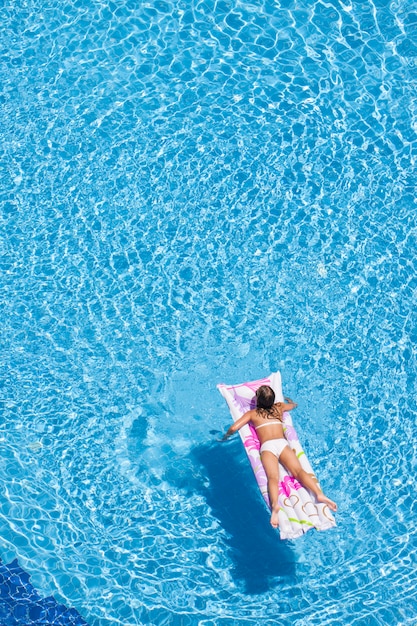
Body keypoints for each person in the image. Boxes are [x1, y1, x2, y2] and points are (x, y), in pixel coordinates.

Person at [222, 385, 337, 528]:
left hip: (268, 446)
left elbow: (234, 428)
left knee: (273, 478)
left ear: (258, 399)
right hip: (282, 444)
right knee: (299, 472)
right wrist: (290, 401)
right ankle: (318, 494)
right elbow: (293, 406)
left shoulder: (253, 414)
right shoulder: (279, 407)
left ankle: (275, 506)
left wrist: (225, 437)